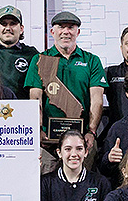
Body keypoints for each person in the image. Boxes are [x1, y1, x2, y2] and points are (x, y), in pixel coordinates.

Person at [24, 12, 107, 172]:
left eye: (71, 27)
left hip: (82, 141)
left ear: (78, 32)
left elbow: (97, 100)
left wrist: (91, 132)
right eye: (61, 27)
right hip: (48, 141)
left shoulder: (91, 60)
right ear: (52, 32)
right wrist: (38, 130)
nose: (66, 31)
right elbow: (35, 99)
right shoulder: (40, 59)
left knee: (82, 186)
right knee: (48, 187)